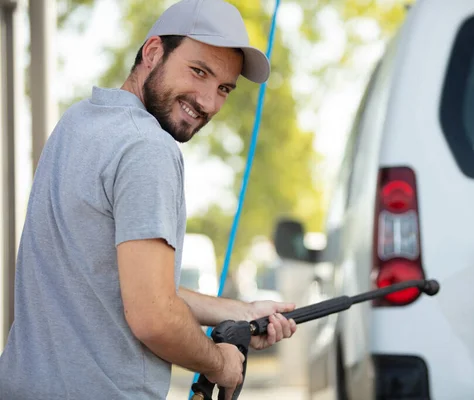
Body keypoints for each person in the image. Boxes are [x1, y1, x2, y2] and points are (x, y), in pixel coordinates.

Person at [0, 0, 297, 399]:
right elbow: (154, 316)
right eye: (198, 71)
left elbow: (124, 284)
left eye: (223, 88)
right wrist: (221, 362)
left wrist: (242, 312)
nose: (208, 103)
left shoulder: (77, 123)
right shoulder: (148, 147)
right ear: (153, 52)